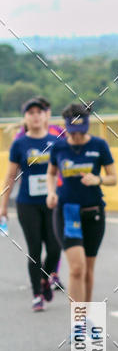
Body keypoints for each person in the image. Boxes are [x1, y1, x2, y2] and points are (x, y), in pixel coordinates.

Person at [46, 102, 117, 309]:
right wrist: (51, 192)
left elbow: (113, 177)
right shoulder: (58, 146)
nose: (76, 137)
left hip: (93, 212)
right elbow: (51, 173)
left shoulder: (99, 145)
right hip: (67, 213)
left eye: (80, 131)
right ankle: (78, 323)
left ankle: (86, 319)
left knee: (88, 269)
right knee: (77, 268)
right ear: (66, 127)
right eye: (72, 132)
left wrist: (99, 180)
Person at [0, 97, 62, 311]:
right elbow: (10, 176)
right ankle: (37, 294)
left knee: (55, 247)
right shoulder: (20, 143)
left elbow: (66, 173)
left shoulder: (56, 142)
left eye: (39, 112)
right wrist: (3, 207)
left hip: (52, 203)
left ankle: (46, 278)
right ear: (25, 117)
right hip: (28, 204)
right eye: (31, 112)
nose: (35, 116)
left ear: (46, 115)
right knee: (34, 248)